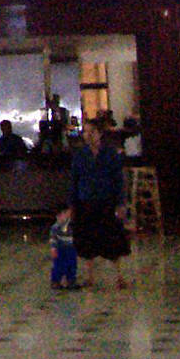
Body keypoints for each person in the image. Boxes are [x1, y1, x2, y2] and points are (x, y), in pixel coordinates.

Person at [70, 118, 130, 288]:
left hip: (106, 200)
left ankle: (119, 276)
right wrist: (72, 204)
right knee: (87, 240)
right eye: (85, 132)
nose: (88, 136)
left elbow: (118, 180)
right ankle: (89, 276)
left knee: (112, 239)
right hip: (86, 200)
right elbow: (74, 181)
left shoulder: (110, 154)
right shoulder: (80, 155)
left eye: (92, 132)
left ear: (100, 134)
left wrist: (120, 203)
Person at [50, 206, 79, 290]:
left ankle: (71, 280)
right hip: (60, 248)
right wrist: (53, 248)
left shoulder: (71, 224)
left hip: (71, 248)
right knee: (58, 266)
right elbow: (53, 238)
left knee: (72, 264)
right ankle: (56, 281)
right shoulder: (56, 227)